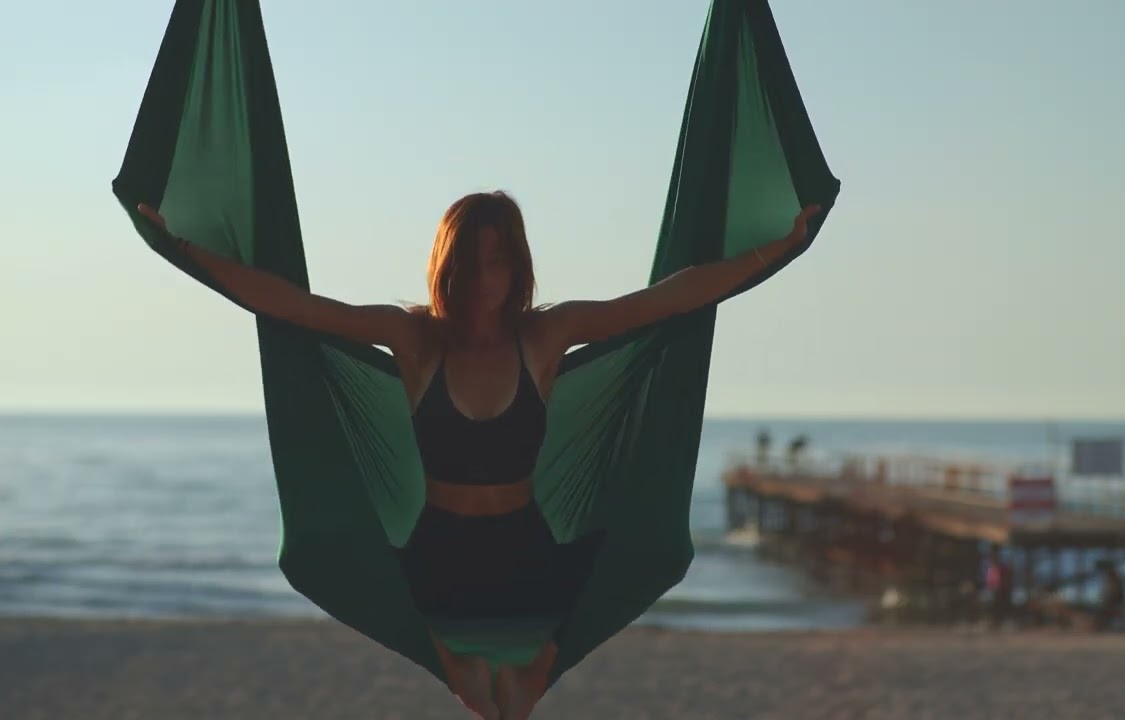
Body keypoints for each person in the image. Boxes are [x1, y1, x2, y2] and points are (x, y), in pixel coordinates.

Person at [137, 192, 821, 720]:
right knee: (324, 554)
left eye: (497, 259)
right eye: (470, 258)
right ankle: (448, 663)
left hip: (528, 551)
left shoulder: (547, 334)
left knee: (650, 546)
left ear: (516, 266)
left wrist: (776, 251)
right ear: (449, 262)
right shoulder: (412, 338)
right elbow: (295, 307)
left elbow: (665, 299)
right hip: (440, 556)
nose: (483, 276)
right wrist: (184, 248)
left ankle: (537, 671)